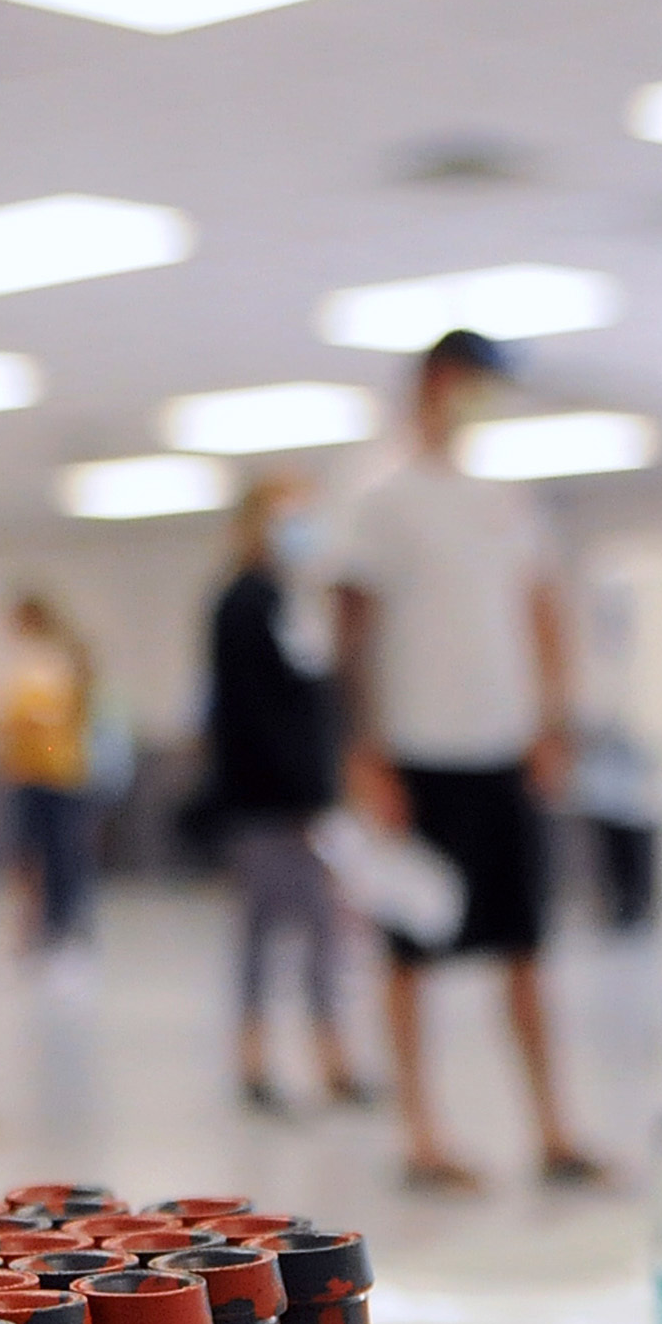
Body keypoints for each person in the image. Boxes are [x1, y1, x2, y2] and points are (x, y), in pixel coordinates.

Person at [332, 329, 603, 1193]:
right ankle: (423, 1133)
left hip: (504, 754)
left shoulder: (506, 499)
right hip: (418, 756)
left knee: (524, 947)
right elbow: (352, 627)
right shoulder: (379, 494)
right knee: (413, 952)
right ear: (441, 382)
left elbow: (541, 609)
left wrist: (553, 722)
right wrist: (363, 749)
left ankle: (553, 1127)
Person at [202, 470, 371, 1114]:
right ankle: (256, 1059)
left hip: (305, 799)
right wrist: (299, 796)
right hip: (266, 804)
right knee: (264, 933)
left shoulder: (295, 605)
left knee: (324, 932)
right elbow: (247, 717)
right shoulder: (242, 604)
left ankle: (332, 1058)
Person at [0, 590, 98, 954]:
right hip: (28, 772)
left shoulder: (55, 660)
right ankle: (36, 924)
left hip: (58, 772)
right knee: (29, 853)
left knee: (62, 854)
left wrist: (29, 728)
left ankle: (63, 926)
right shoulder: (25, 661)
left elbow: (53, 721)